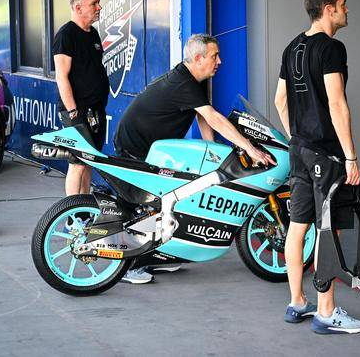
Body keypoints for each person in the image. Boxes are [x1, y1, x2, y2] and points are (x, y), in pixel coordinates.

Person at [114, 33, 275, 284]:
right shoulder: (184, 83)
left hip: (149, 147)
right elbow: (212, 117)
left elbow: (201, 115)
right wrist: (249, 148)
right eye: (214, 56)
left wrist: (213, 149)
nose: (220, 61)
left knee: (174, 198)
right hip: (136, 149)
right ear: (199, 58)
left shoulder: (192, 80)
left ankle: (160, 254)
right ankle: (129, 264)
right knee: (148, 205)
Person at [274, 0, 360, 334]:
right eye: (343, 3)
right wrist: (350, 157)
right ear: (329, 9)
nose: (347, 9)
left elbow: (280, 100)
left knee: (298, 228)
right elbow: (336, 103)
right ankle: (326, 311)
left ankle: (297, 301)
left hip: (299, 151)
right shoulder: (331, 48)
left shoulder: (291, 47)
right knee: (329, 231)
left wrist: (297, 137)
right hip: (326, 156)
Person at [53, 0, 108, 196]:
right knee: (77, 163)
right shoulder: (66, 35)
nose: (99, 7)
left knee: (89, 161)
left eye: (98, 3)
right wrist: (73, 112)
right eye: (94, 3)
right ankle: (72, 211)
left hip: (95, 109)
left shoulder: (93, 33)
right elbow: (61, 76)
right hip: (77, 111)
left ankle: (83, 207)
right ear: (78, 8)